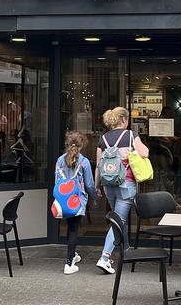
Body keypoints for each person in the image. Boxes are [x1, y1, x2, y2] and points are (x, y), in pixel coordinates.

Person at [95, 106, 149, 274]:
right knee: (119, 220)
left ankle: (126, 250)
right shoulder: (131, 135)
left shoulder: (103, 139)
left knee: (119, 219)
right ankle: (104, 258)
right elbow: (145, 153)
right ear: (124, 120)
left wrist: (97, 186)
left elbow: (98, 165)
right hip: (126, 184)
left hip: (108, 185)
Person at [56, 131, 97, 275]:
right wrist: (95, 198)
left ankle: (72, 254)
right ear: (82, 145)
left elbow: (57, 182)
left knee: (70, 226)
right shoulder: (84, 162)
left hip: (63, 200)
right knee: (74, 229)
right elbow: (90, 184)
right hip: (77, 200)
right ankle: (69, 263)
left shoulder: (60, 160)